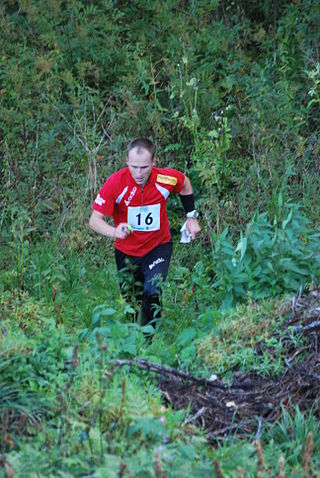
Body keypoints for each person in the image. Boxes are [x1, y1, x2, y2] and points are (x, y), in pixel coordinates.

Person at [89, 138, 200, 335]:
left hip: (158, 246)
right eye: (134, 167)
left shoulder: (164, 179)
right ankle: (133, 340)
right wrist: (115, 231)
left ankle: (148, 342)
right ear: (126, 162)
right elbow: (94, 220)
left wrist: (191, 217)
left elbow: (185, 184)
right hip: (126, 252)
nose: (139, 174)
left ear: (154, 162)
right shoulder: (115, 183)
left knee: (152, 291)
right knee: (132, 302)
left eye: (144, 167)